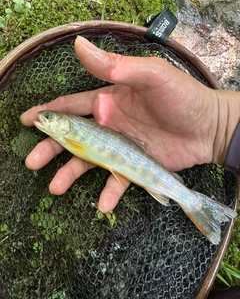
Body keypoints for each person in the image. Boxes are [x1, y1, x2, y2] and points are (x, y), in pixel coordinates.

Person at [20, 36, 240, 297]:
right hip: (150, 168)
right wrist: (222, 127)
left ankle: (192, 201)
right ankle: (192, 201)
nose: (44, 119)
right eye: (48, 117)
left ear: (63, 124)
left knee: (174, 193)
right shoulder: (68, 134)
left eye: (49, 117)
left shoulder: (70, 136)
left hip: (155, 173)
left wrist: (221, 125)